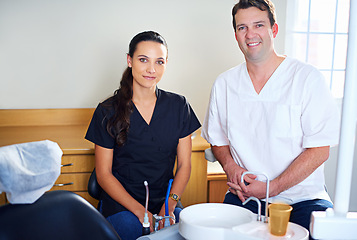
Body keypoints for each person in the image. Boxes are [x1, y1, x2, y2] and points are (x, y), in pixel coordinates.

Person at [201, 0, 340, 237]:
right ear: (235, 35)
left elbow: (319, 150)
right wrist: (231, 167)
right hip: (245, 196)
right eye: (242, 27)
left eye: (258, 25)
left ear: (273, 30)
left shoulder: (306, 78)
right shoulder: (224, 84)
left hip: (303, 199)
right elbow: (217, 139)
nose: (250, 34)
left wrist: (271, 187)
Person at [85, 31, 201, 240]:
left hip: (165, 201)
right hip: (122, 205)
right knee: (135, 231)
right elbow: (103, 174)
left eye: (159, 62)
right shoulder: (107, 110)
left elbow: (184, 165)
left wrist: (169, 207)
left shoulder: (179, 106)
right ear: (129, 61)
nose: (151, 69)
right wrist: (141, 213)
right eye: (143, 60)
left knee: (186, 234)